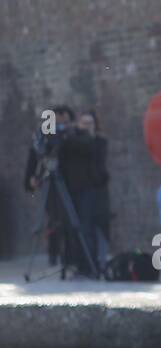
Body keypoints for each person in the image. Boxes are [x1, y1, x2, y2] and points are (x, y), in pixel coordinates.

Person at [23, 105, 75, 270]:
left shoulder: (69, 134)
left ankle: (69, 254)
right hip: (50, 181)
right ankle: (54, 253)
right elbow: (35, 156)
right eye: (61, 119)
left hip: (68, 181)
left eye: (66, 120)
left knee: (69, 218)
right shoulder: (43, 135)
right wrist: (32, 178)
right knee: (54, 219)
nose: (63, 123)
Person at [60, 110, 110, 277]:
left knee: (89, 227)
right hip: (74, 189)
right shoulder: (72, 140)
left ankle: (91, 264)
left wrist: (81, 134)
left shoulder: (98, 141)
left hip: (93, 190)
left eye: (90, 123)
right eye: (84, 123)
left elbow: (92, 151)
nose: (88, 126)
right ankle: (78, 263)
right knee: (76, 227)